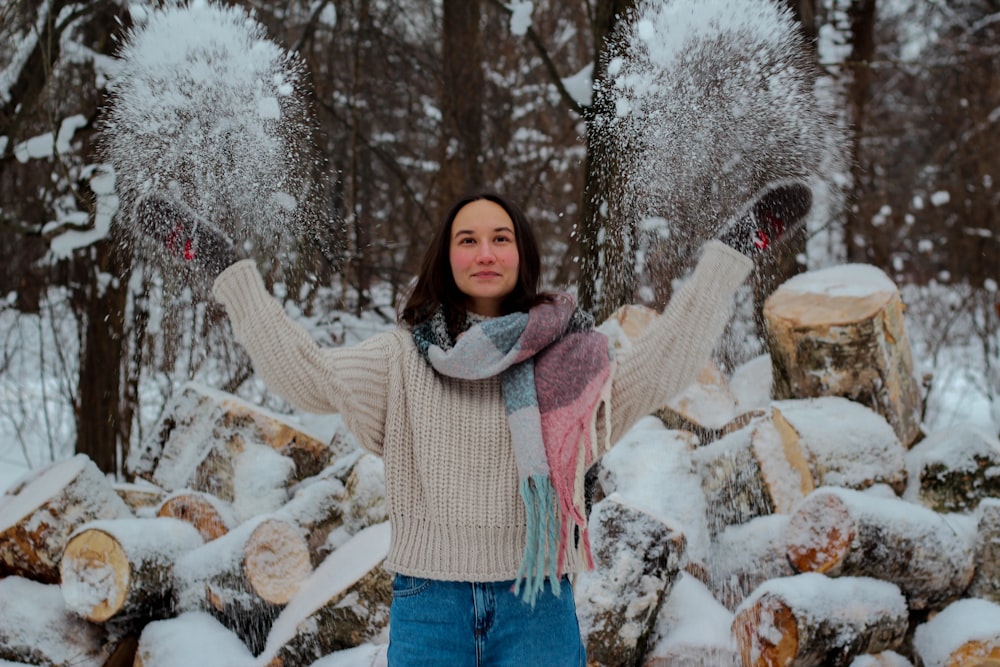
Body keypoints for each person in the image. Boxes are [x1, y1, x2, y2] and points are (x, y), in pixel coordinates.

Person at [137, 183, 810, 666]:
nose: (484, 250)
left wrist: (728, 258)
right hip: (431, 605)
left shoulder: (571, 361)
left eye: (499, 237)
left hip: (538, 605)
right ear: (446, 256)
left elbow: (664, 364)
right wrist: (228, 271)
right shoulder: (400, 359)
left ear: (521, 254)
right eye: (467, 238)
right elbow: (301, 373)